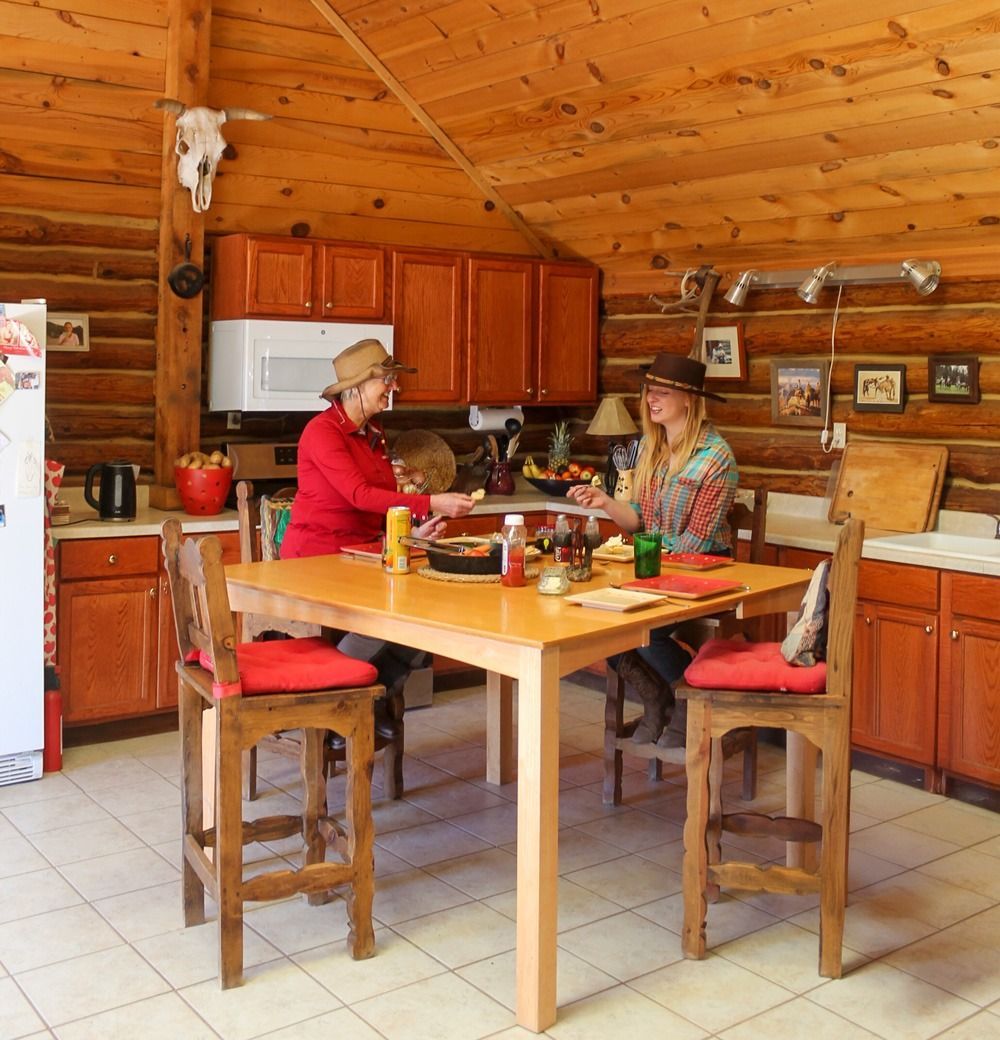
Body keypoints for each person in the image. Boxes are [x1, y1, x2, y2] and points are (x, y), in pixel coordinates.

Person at [281, 337, 476, 731]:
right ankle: (336, 711)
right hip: (317, 562)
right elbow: (359, 495)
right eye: (386, 379)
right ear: (355, 387)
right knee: (393, 618)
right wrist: (432, 503)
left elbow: (377, 508)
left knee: (428, 619)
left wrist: (415, 532)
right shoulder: (323, 433)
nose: (394, 387)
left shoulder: (374, 434)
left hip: (363, 557)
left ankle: (368, 700)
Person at [568, 353, 737, 747]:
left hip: (704, 573)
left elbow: (695, 544)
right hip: (656, 570)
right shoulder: (651, 447)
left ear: (689, 400)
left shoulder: (716, 458)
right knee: (599, 621)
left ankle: (688, 701)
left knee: (643, 627)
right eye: (649, 391)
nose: (651, 400)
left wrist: (641, 556)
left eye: (662, 392)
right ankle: (656, 696)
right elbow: (640, 518)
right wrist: (606, 502)